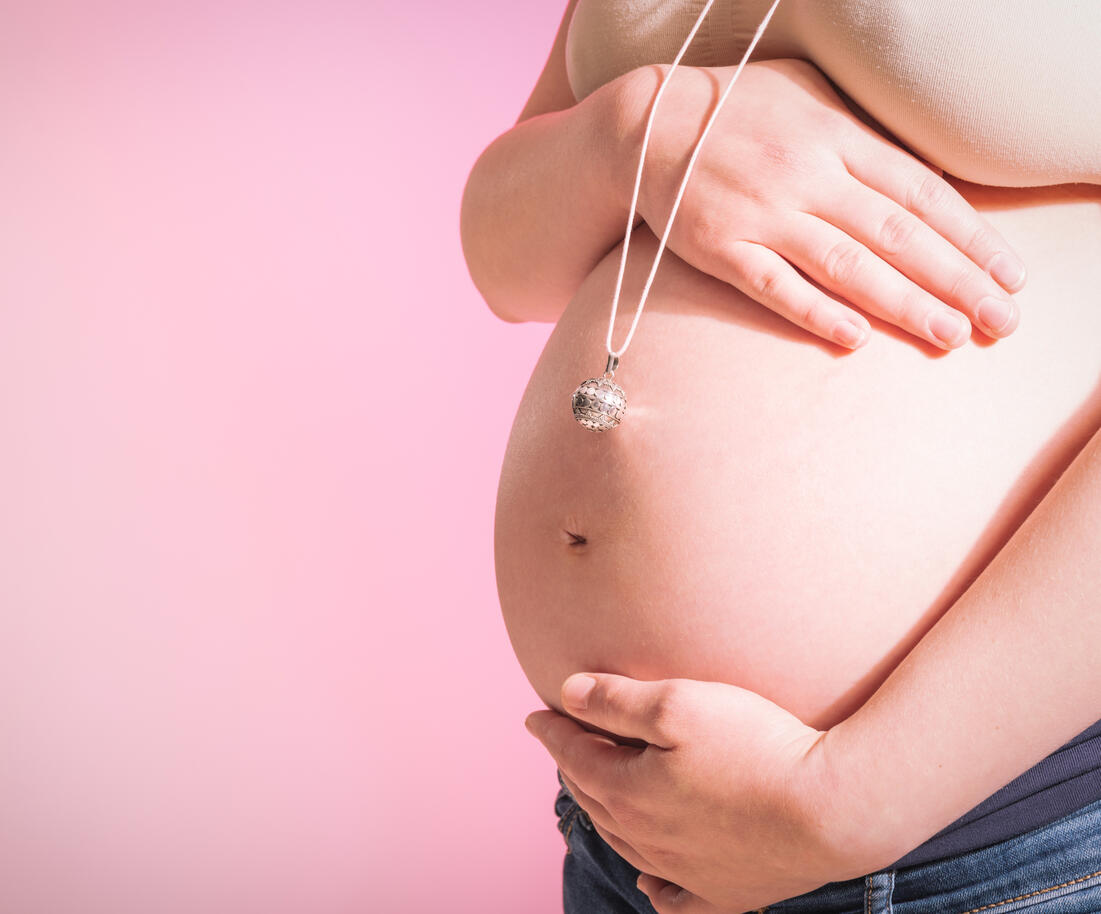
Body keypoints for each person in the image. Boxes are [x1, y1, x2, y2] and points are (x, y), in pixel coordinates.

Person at [459, 1, 1101, 912]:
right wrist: (632, 131)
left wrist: (847, 798)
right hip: (634, 842)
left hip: (994, 851)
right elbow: (505, 261)